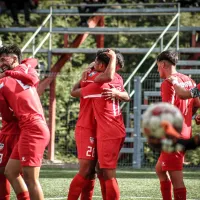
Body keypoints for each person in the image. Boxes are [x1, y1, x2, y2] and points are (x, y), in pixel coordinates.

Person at [70, 49, 128, 200]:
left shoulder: (96, 80)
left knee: (99, 171)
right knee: (94, 170)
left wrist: (87, 71)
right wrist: (90, 68)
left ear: (102, 66)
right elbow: (126, 95)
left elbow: (74, 91)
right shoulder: (116, 78)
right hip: (98, 128)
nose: (116, 71)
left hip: (107, 130)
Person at [0, 44, 50, 200]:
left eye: (3, 59)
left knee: (31, 178)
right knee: (10, 172)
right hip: (27, 129)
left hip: (34, 128)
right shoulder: (8, 79)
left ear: (15, 58)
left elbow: (34, 78)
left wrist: (7, 73)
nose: (1, 64)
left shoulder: (23, 69)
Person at [156, 50, 200, 200]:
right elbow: (196, 104)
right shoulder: (189, 80)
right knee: (160, 169)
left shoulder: (168, 82)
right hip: (185, 132)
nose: (157, 70)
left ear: (163, 64)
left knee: (177, 179)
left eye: (157, 67)